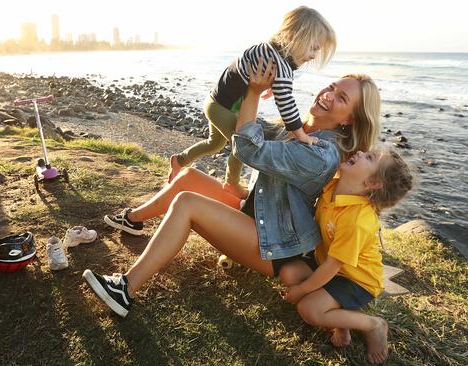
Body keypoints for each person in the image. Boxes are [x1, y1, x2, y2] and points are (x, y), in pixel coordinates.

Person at [86, 62, 381, 349]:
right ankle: (134, 220)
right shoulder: (299, 128)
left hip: (275, 244)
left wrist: (253, 93)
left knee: (187, 204)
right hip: (260, 214)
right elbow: (242, 128)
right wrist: (248, 85)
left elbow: (248, 147)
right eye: (331, 87)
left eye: (341, 97)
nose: (328, 94)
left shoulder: (321, 152)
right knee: (190, 178)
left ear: (350, 119)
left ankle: (125, 289)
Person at [168, 6, 337, 199]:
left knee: (214, 144)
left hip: (215, 101)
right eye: (313, 47)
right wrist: (301, 135)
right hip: (222, 108)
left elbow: (245, 67)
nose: (314, 55)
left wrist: (271, 85)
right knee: (241, 143)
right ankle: (231, 184)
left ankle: (180, 160)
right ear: (294, 37)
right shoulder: (279, 65)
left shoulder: (267, 50)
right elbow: (287, 104)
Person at [278, 147, 412, 365]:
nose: (359, 152)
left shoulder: (357, 219)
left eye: (368, 157)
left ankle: (373, 324)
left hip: (357, 279)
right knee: (289, 272)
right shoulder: (333, 186)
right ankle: (342, 320)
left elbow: (333, 266)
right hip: (330, 264)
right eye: (367, 152)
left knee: (309, 309)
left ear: (372, 184)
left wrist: (302, 290)